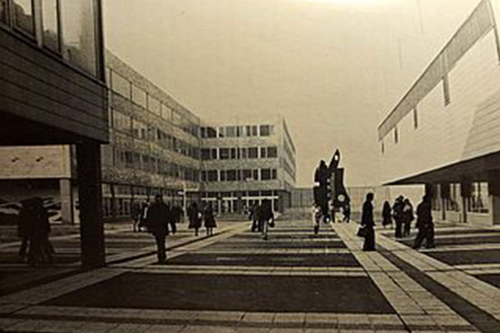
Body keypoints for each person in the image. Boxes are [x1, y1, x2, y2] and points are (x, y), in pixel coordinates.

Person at [145, 194, 170, 264]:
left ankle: (161, 256)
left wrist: (149, 227)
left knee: (160, 243)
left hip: (159, 228)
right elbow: (149, 218)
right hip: (160, 228)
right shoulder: (163, 207)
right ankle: (162, 256)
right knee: (161, 243)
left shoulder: (153, 207)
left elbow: (149, 218)